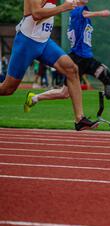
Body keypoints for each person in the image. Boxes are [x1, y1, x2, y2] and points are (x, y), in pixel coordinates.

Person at [0, 0, 98, 131]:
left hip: (44, 41)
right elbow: (36, 14)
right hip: (27, 42)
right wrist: (63, 7)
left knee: (72, 70)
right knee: (7, 89)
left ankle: (80, 119)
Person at [24, 1, 110, 113]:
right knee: (105, 76)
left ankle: (34, 98)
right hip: (79, 57)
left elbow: (85, 15)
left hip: (84, 57)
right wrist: (101, 13)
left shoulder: (82, 13)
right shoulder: (78, 11)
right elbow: (84, 14)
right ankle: (105, 84)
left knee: (64, 93)